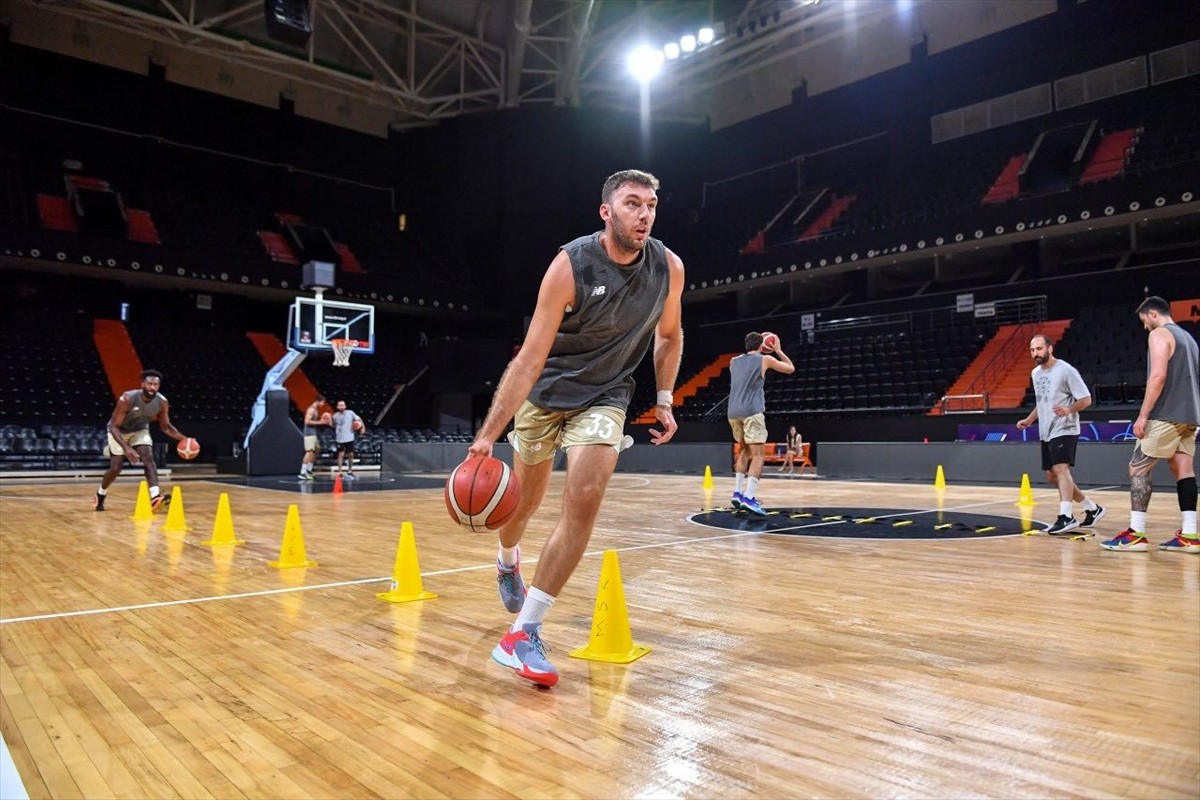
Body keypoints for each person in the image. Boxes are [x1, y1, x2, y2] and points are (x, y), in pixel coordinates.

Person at [467, 169, 684, 687]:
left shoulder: (668, 268)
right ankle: (506, 558)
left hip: (607, 396)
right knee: (524, 504)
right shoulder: (569, 266)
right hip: (545, 395)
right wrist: (487, 433)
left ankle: (524, 633)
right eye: (632, 204)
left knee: (585, 496)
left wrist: (665, 398)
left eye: (651, 204)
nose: (645, 213)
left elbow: (671, 336)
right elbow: (528, 359)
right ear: (606, 212)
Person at [1101, 297, 1200, 552]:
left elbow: (1158, 376)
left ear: (1153, 314)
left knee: (1137, 469)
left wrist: (1143, 415)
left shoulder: (1160, 335)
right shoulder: (1189, 339)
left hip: (1166, 414)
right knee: (1184, 471)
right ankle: (1190, 534)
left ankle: (1136, 533)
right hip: (1190, 415)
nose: (1145, 327)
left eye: (1145, 321)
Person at [1015, 335, 1105, 534]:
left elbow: (1086, 399)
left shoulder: (1066, 370)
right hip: (1046, 430)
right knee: (1052, 476)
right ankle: (1092, 508)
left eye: (1039, 349)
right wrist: (1029, 420)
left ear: (1050, 348)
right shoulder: (1036, 373)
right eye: (1032, 350)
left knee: (1061, 469)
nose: (1035, 354)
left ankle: (1066, 516)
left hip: (1065, 427)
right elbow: (1042, 402)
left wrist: (1069, 410)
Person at [94, 369, 191, 512]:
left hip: (140, 430)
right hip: (118, 431)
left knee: (148, 458)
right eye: (149, 384)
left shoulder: (162, 402)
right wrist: (127, 449)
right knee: (116, 468)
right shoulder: (127, 399)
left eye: (156, 385)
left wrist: (185, 439)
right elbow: (114, 427)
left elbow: (166, 427)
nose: (152, 387)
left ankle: (155, 497)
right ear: (142, 384)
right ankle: (100, 493)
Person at [728, 332, 795, 515]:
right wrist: (778, 351)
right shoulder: (765, 359)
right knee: (758, 455)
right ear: (762, 345)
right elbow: (790, 368)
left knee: (743, 451)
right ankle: (749, 498)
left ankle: (737, 493)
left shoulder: (733, 361)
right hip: (751, 411)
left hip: (733, 412)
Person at [298, 396, 331, 480]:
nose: (323, 404)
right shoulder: (311, 409)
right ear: (318, 401)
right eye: (322, 402)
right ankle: (302, 473)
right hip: (309, 433)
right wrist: (321, 422)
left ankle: (309, 470)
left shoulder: (315, 409)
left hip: (313, 433)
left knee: (317, 449)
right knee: (309, 452)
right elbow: (307, 421)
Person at [331, 400, 364, 478]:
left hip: (350, 437)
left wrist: (362, 427)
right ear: (337, 407)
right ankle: (339, 472)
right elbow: (333, 425)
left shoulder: (351, 413)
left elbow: (358, 420)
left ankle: (350, 471)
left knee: (351, 454)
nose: (342, 406)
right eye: (340, 405)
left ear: (345, 406)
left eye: (343, 405)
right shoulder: (335, 416)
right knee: (341, 454)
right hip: (340, 438)